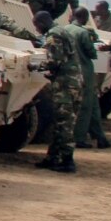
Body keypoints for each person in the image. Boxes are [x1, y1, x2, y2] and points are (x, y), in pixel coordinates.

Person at [32, 10, 83, 173]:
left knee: (64, 123)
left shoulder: (53, 35)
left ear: (41, 23)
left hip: (65, 85)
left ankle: (67, 160)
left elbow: (54, 61)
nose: (37, 30)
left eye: (36, 27)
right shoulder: (62, 30)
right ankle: (53, 157)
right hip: (72, 82)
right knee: (61, 122)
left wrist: (36, 67)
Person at [67, 7, 110, 149]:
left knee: (91, 105)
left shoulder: (65, 30)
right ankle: (79, 138)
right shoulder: (83, 32)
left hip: (71, 71)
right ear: (85, 18)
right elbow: (92, 53)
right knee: (86, 106)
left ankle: (99, 136)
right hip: (85, 72)